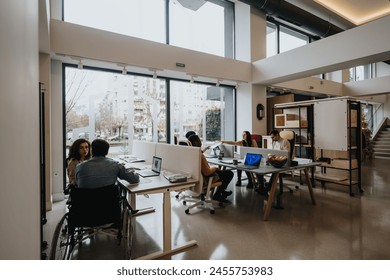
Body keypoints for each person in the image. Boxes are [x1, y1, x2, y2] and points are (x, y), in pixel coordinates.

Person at [188, 134, 233, 203]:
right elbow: (207, 172)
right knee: (229, 173)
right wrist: (215, 168)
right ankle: (218, 194)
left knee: (222, 172)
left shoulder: (192, 153)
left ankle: (222, 192)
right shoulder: (200, 155)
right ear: (196, 142)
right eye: (199, 140)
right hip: (207, 179)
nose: (201, 141)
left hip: (197, 179)